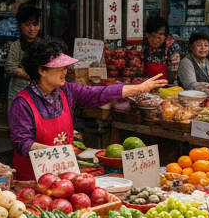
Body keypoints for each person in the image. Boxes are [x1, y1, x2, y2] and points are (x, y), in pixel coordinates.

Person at [9, 37, 168, 180]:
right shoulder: (22, 104)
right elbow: (22, 143)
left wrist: (139, 88)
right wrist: (60, 154)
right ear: (41, 70)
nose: (65, 71)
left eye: (65, 67)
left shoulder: (67, 91)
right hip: (33, 180)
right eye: (60, 67)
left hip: (65, 175)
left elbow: (99, 94)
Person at [4, 3, 42, 102]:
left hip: (40, 91)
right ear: (20, 25)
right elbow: (10, 68)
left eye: (35, 24)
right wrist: (31, 75)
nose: (32, 28)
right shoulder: (15, 46)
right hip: (18, 92)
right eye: (27, 24)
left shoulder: (44, 45)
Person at [140, 16, 181, 83]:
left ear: (165, 35)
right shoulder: (144, 45)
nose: (156, 39)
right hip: (146, 84)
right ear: (147, 35)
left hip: (167, 85)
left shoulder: (172, 47)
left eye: (160, 35)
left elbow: (172, 73)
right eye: (153, 36)